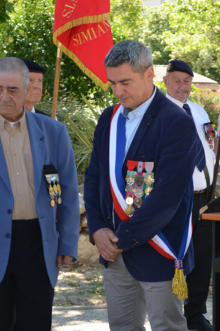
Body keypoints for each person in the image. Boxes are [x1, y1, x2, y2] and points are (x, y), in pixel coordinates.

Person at [0, 57, 80, 331]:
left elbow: (67, 192)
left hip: (38, 245)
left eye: (12, 90)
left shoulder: (54, 132)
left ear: (26, 90)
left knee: (34, 323)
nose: (4, 96)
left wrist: (67, 243)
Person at [84, 41, 204, 331]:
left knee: (167, 326)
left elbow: (168, 196)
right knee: (122, 326)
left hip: (158, 249)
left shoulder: (176, 121)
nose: (118, 91)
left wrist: (120, 240)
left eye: (125, 82)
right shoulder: (109, 119)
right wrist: (98, 230)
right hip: (114, 248)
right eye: (112, 83)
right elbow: (95, 176)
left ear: (149, 73)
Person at [163, 59, 220, 331]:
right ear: (166, 81)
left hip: (203, 195)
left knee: (202, 256)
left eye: (187, 82)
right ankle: (172, 314)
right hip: (175, 199)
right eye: (177, 81)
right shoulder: (158, 113)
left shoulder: (199, 111)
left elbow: (210, 153)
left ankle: (196, 313)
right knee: (175, 256)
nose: (182, 87)